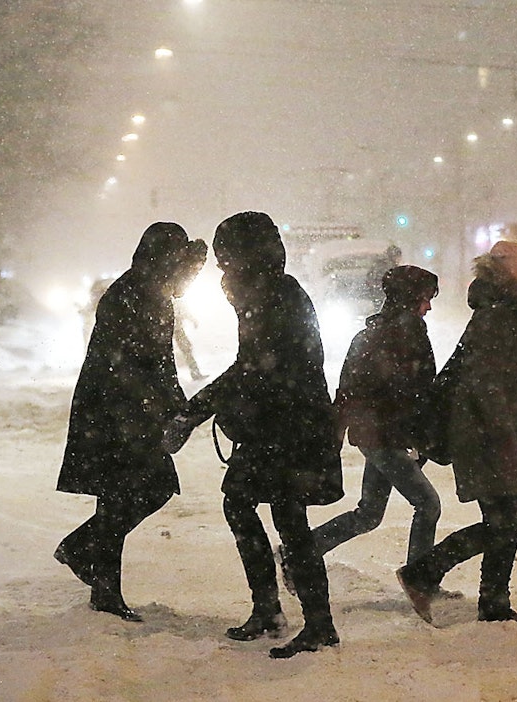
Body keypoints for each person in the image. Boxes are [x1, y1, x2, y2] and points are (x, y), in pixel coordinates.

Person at [162, 211, 343, 659]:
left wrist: (194, 412)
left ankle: (313, 622)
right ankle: (273, 611)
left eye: (226, 263)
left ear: (246, 258)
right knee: (253, 507)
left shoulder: (274, 298)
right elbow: (255, 369)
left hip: (291, 430)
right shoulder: (270, 293)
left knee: (286, 519)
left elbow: (255, 369)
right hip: (282, 428)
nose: (223, 272)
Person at [53, 222, 207, 622]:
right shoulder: (139, 294)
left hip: (118, 411)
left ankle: (96, 574)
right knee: (138, 491)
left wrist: (175, 407)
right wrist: (169, 410)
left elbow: (158, 363)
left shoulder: (144, 288)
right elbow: (143, 366)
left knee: (120, 497)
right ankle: (93, 571)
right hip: (118, 414)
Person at [396, 239, 517, 625]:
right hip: (488, 436)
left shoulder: (507, 316)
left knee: (505, 519)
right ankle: (426, 574)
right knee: (505, 519)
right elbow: (485, 385)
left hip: (498, 432)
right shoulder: (499, 319)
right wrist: (505, 435)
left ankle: (490, 600)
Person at [307, 265, 442, 576]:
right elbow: (359, 393)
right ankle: (419, 578)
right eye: (425, 298)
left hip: (381, 437)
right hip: (383, 439)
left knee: (369, 514)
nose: (429, 306)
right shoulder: (390, 338)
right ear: (409, 299)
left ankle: (302, 550)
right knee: (428, 504)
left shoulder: (393, 334)